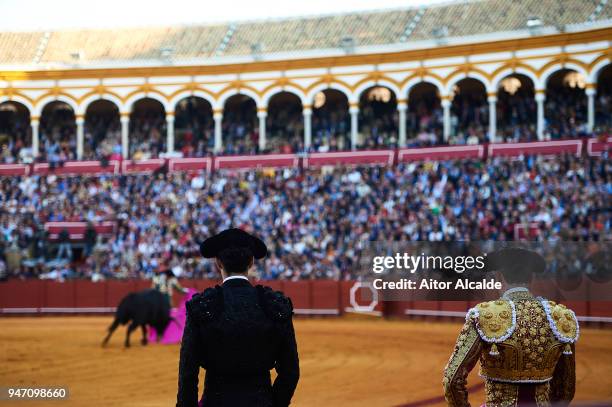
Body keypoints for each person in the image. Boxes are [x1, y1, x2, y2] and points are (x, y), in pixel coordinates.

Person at [176, 228, 299, 407]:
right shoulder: (274, 305)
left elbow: (188, 372)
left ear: (218, 263)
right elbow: (290, 372)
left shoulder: (202, 306)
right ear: (251, 262)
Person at [443, 248, 578, 407]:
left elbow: (452, 380)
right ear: (532, 278)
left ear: (499, 277)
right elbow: (566, 388)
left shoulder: (484, 315)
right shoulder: (560, 317)